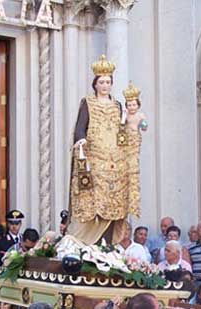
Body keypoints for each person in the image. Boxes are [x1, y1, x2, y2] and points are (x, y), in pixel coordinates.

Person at [67, 55, 139, 246]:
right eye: (102, 82)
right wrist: (81, 140)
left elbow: (122, 132)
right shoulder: (88, 102)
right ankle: (85, 241)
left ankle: (106, 244)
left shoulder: (117, 105)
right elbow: (80, 126)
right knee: (92, 199)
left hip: (115, 162)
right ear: (95, 84)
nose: (105, 85)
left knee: (113, 201)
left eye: (108, 82)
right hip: (94, 159)